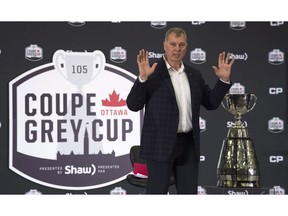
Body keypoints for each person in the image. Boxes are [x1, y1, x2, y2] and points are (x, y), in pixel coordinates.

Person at [126, 27, 235, 194]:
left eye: (181, 44)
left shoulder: (194, 74)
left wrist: (223, 80)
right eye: (173, 44)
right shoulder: (152, 73)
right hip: (159, 146)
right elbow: (133, 105)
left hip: (189, 145)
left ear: (186, 46)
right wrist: (142, 79)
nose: (177, 49)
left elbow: (211, 103)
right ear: (165, 45)